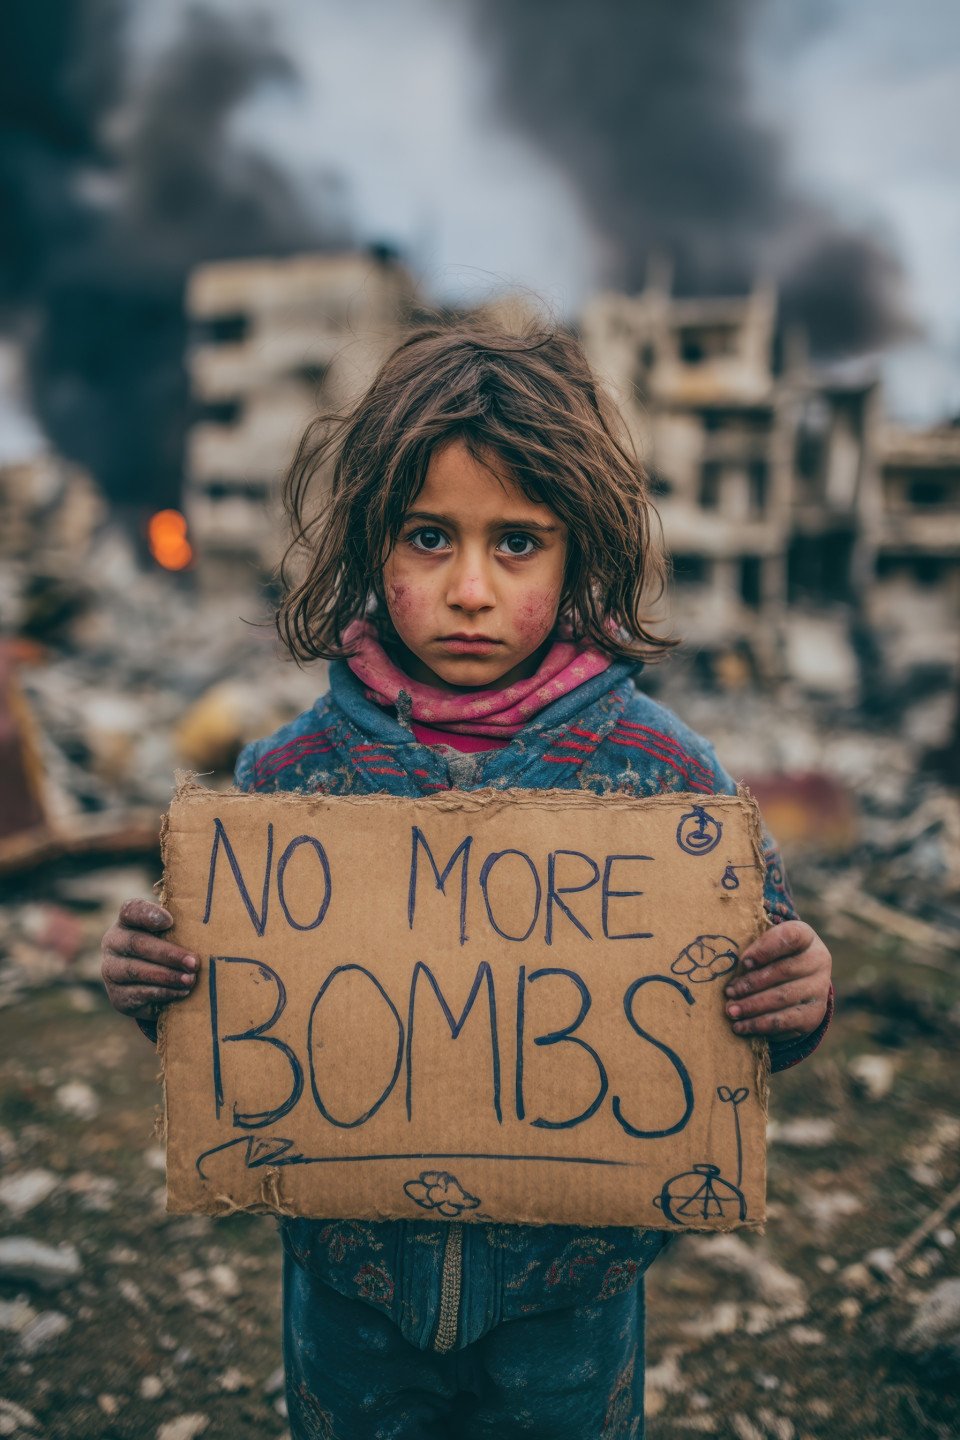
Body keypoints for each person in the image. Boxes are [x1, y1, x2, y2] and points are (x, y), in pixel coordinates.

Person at [102, 316, 833, 1439]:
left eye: (519, 544)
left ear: (580, 548)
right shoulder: (287, 785)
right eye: (429, 537)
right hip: (353, 1295)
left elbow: (747, 1007)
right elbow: (244, 1027)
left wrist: (797, 996)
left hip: (569, 1302)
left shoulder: (666, 784)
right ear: (368, 547)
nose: (472, 589)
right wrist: (159, 982)